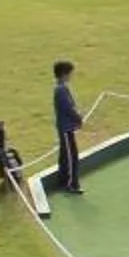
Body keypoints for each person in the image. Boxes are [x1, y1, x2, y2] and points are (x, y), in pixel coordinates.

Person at [51, 58, 85, 195]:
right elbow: (68, 108)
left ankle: (62, 180)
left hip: (66, 127)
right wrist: (78, 118)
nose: (71, 76)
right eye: (69, 73)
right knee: (72, 157)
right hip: (66, 129)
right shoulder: (61, 90)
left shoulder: (61, 88)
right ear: (64, 74)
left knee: (65, 155)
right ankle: (72, 184)